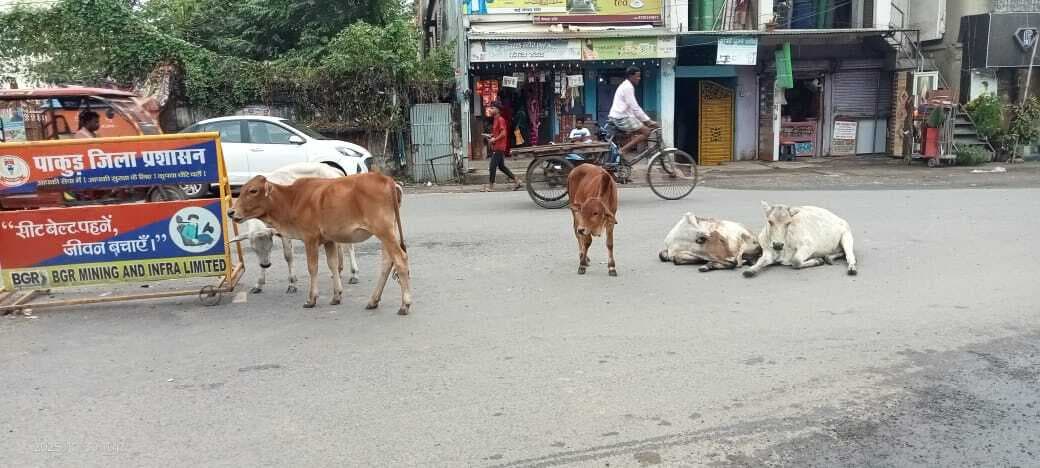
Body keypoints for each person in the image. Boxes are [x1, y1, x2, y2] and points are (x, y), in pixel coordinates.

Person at [608, 67, 658, 156]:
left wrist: (643, 120)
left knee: (638, 131)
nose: (639, 78)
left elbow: (632, 109)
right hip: (621, 117)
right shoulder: (627, 87)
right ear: (631, 76)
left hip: (620, 116)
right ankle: (621, 151)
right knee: (646, 132)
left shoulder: (626, 85)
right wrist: (648, 121)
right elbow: (635, 107)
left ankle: (623, 154)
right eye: (637, 76)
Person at [482, 101, 522, 192]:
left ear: (497, 110)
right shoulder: (496, 119)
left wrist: (494, 140)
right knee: (501, 167)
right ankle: (517, 181)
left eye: (492, 108)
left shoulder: (500, 119)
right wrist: (491, 135)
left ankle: (491, 187)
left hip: (499, 147)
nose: (491, 110)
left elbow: (503, 133)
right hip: (497, 146)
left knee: (492, 166)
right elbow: (498, 133)